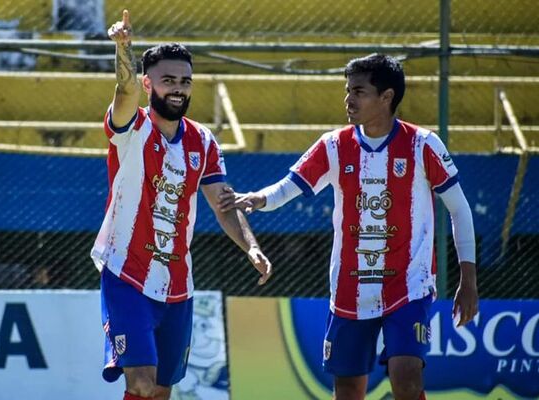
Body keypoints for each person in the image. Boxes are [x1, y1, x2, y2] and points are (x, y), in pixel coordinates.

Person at [218, 53, 478, 400]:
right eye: (347, 90)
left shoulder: (423, 144)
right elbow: (288, 187)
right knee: (348, 391)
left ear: (386, 98)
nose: (348, 99)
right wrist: (257, 198)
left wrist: (469, 280)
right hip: (349, 288)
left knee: (407, 378)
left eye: (359, 91)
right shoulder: (334, 145)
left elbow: (460, 210)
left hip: (408, 285)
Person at [91, 10, 273, 400]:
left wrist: (251, 246)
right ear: (148, 83)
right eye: (168, 80)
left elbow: (223, 204)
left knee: (160, 389)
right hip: (126, 275)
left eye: (185, 81)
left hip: (177, 284)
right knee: (139, 380)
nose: (178, 88)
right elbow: (124, 94)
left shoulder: (204, 142)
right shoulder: (132, 127)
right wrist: (123, 49)